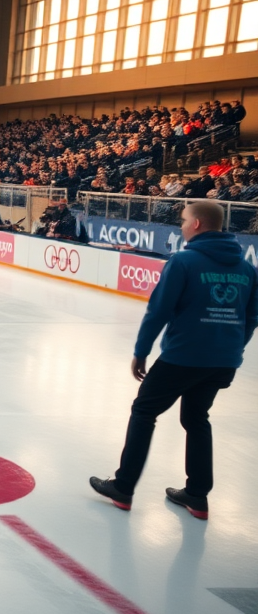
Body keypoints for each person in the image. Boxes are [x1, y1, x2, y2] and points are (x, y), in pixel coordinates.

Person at [91, 201, 257, 519]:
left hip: (184, 356)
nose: (180, 227)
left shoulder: (183, 261)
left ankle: (123, 487)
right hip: (223, 361)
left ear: (197, 224)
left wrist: (141, 351)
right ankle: (197, 495)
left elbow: (159, 310)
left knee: (144, 412)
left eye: (183, 221)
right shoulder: (246, 268)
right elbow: (251, 318)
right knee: (196, 419)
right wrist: (232, 348)